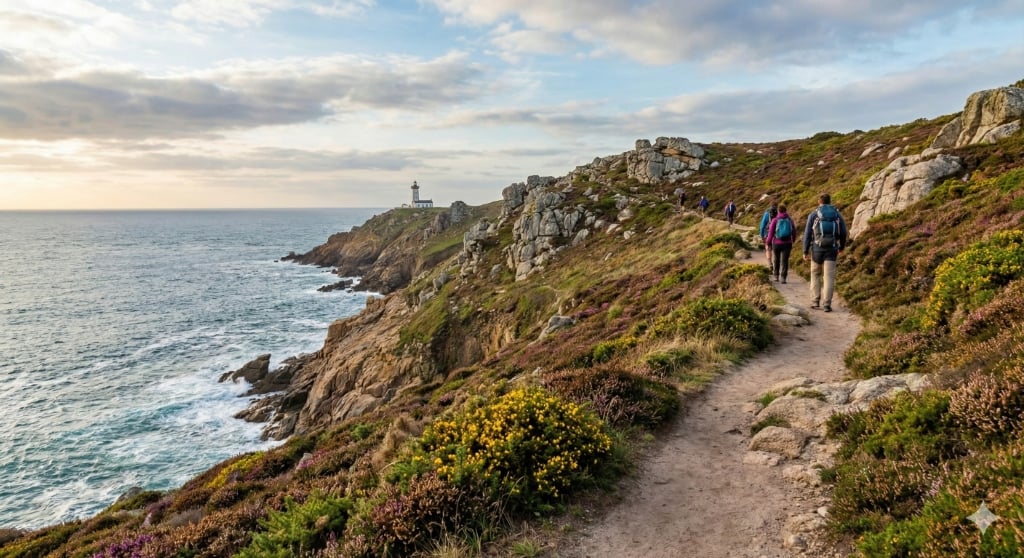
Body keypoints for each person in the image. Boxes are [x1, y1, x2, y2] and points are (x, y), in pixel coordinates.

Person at [802, 194, 848, 312]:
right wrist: (841, 246)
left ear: (819, 201)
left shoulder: (814, 214)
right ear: (829, 201)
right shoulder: (837, 214)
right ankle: (827, 304)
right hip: (832, 249)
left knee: (815, 275)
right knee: (829, 277)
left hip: (817, 249)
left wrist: (805, 250)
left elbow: (807, 234)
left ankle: (815, 301)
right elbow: (843, 232)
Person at [766, 204, 796, 283]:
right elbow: (794, 230)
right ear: (786, 211)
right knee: (785, 260)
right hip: (787, 243)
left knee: (776, 259)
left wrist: (768, 243)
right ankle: (783, 278)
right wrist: (793, 239)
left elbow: (771, 233)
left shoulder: (775, 220)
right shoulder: (790, 220)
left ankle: (776, 276)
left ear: (778, 211)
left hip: (777, 243)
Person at [759, 201, 779, 274]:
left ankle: (770, 263)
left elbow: (762, 225)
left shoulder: (767, 213)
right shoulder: (779, 213)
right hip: (777, 235)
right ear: (777, 205)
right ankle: (776, 264)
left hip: (768, 234)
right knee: (776, 251)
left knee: (768, 249)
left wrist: (761, 235)